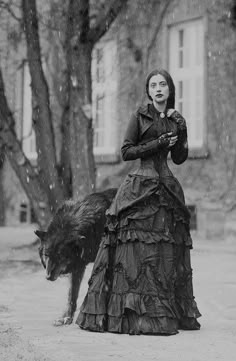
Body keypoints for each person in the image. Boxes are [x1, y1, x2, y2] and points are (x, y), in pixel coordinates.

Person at [76, 69, 201, 335]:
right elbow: (126, 151)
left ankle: (162, 311)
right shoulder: (139, 116)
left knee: (163, 254)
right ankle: (132, 314)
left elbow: (178, 158)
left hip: (166, 189)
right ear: (149, 90)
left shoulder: (175, 119)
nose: (158, 89)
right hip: (139, 188)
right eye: (153, 85)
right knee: (134, 253)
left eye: (162, 84)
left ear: (169, 89)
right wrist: (157, 143)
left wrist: (183, 131)